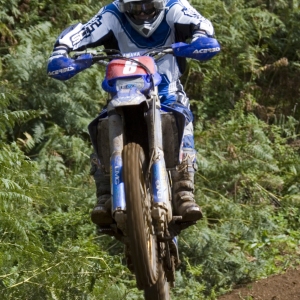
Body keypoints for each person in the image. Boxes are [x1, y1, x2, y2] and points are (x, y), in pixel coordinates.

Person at [47, 0, 215, 228]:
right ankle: (105, 193)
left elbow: (201, 24)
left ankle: (184, 190)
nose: (144, 13)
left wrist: (200, 40)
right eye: (136, 8)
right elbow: (82, 33)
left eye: (149, 6)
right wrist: (61, 52)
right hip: (122, 92)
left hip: (166, 92)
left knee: (182, 118)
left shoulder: (174, 7)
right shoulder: (112, 14)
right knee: (102, 123)